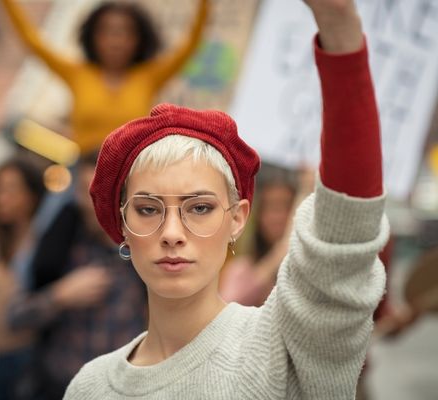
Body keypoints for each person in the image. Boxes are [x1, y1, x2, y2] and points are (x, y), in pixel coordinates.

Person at [64, 0, 388, 398]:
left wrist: (339, 31)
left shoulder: (283, 347)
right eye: (148, 209)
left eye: (200, 208)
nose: (171, 233)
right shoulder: (89, 386)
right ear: (122, 225)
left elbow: (348, 228)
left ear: (238, 218)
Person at [7, 151, 148, 400]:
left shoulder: (143, 250)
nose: (96, 203)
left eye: (105, 191)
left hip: (124, 389)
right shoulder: (58, 247)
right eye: (87, 192)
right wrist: (60, 295)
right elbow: (15, 317)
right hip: (60, 386)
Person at [0, 0, 210, 154]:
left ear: (139, 39)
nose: (115, 41)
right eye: (107, 32)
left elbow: (190, 45)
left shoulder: (149, 77)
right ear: (92, 37)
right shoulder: (77, 74)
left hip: (133, 175)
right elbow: (32, 41)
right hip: (83, 179)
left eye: (125, 32)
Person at [0, 156, 46, 400]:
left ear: (32, 196)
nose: (1, 198)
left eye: (11, 190)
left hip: (27, 358)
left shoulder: (42, 246)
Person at [219, 165, 314, 306]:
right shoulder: (240, 270)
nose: (278, 217)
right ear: (258, 216)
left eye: (286, 206)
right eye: (272, 207)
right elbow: (229, 305)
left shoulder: (309, 270)